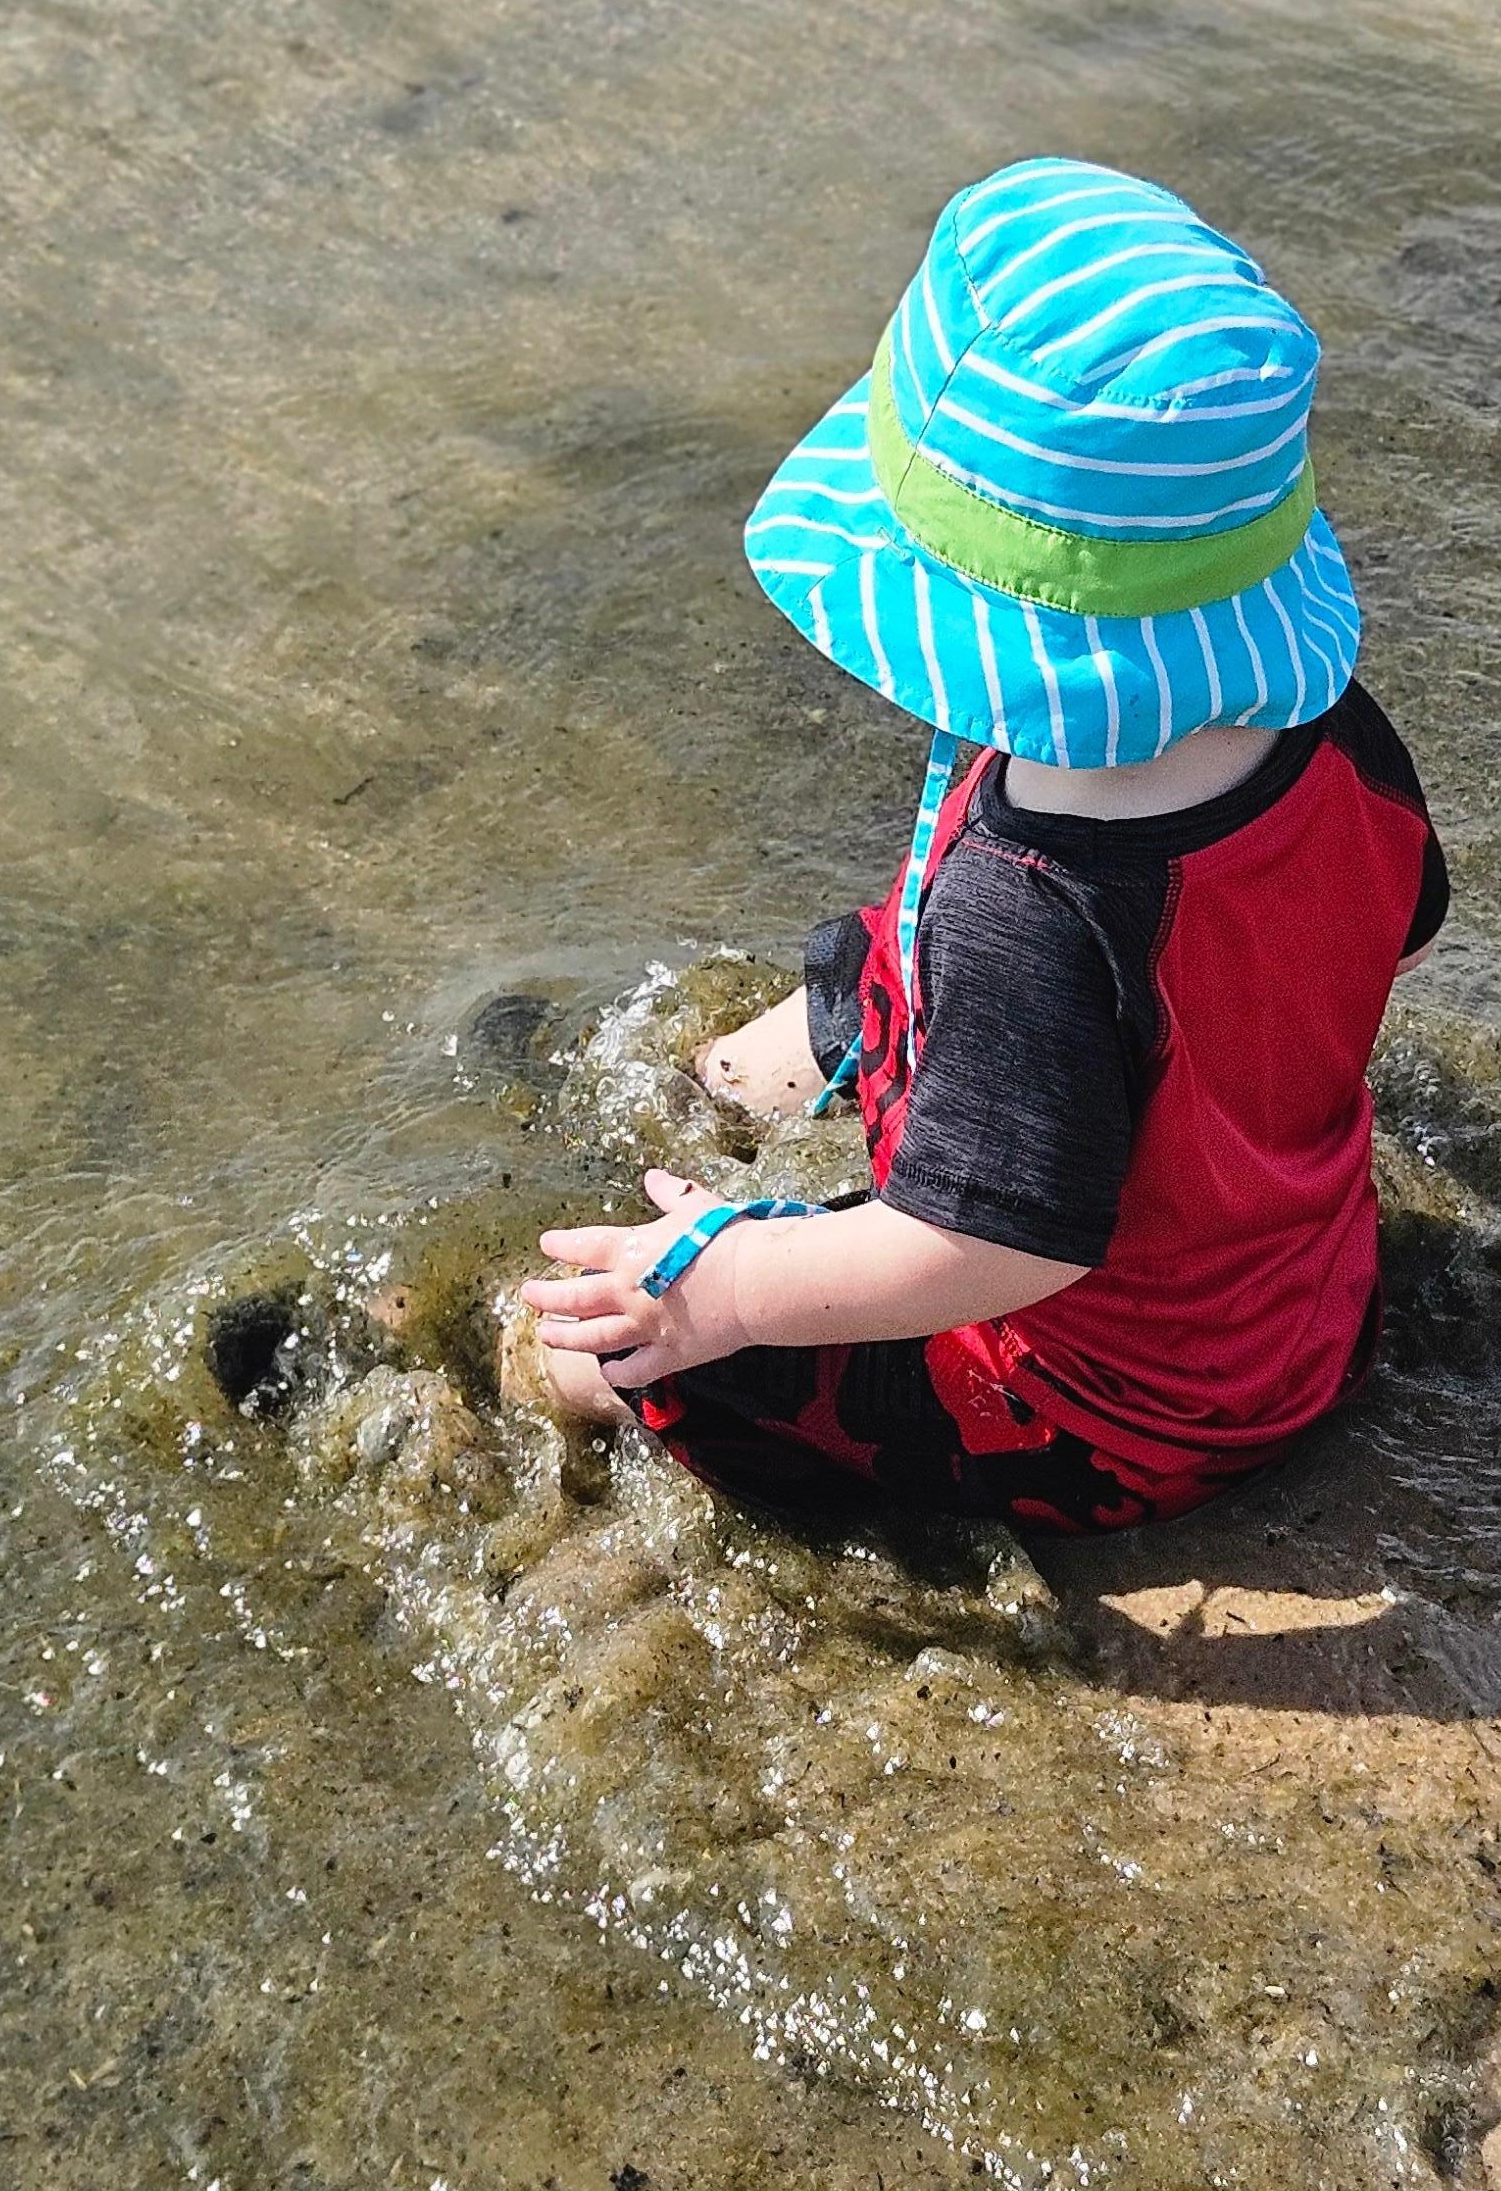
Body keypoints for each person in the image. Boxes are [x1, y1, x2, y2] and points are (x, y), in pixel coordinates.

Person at [503, 155, 1448, 1533]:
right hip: (1304, 1294)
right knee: (859, 974)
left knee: (598, 1347)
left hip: (1102, 1411)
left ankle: (518, 1349)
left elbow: (993, 1250)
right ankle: (713, 1086)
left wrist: (726, 1292)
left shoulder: (1025, 910)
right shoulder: (1331, 730)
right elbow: (1382, 930)